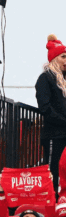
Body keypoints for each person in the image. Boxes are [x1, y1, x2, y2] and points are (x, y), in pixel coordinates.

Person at [37, 35, 66, 188]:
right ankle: (53, 202)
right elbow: (45, 107)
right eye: (63, 57)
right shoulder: (45, 78)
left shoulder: (65, 80)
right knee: (54, 171)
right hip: (55, 135)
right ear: (55, 58)